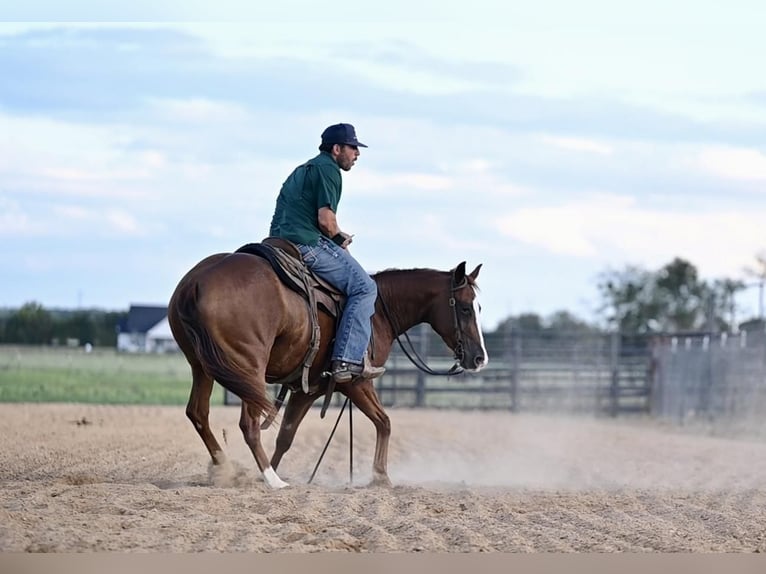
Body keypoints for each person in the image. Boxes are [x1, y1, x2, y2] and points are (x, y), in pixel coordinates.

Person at [268, 123, 386, 384]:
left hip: (277, 241)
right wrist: (337, 238)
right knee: (365, 287)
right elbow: (325, 221)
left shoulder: (304, 168)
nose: (357, 154)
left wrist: (335, 235)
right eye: (353, 148)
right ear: (336, 149)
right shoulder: (330, 170)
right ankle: (347, 360)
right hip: (305, 243)